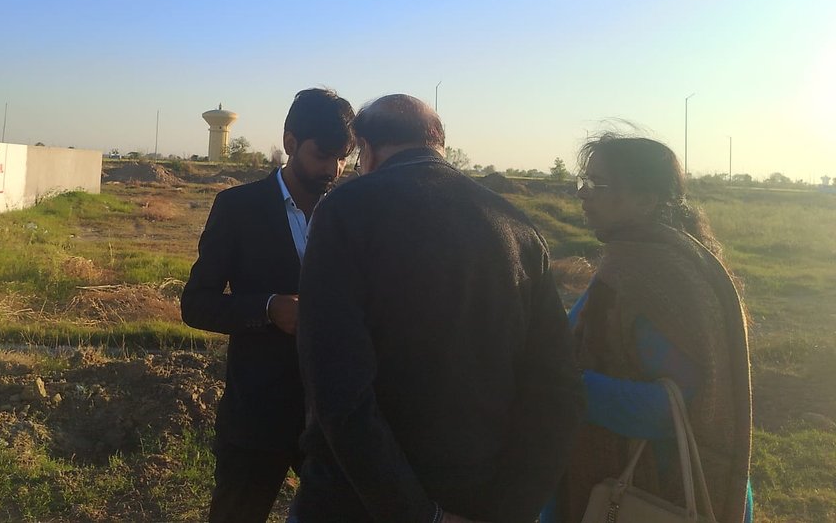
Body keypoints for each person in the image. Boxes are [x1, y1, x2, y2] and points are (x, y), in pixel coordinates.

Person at [293, 94, 584, 523]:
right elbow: (558, 392)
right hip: (479, 496)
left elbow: (338, 386)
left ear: (366, 149)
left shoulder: (346, 210)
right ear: (439, 145)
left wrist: (418, 514)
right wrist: (510, 509)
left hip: (357, 503)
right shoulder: (518, 227)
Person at [543, 133, 752, 523]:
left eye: (598, 184)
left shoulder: (654, 275)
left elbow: (678, 406)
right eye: (583, 181)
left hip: (651, 492)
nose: (582, 193)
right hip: (633, 482)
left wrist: (561, 384)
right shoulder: (643, 260)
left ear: (646, 200)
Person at [181, 87, 356, 523]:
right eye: (323, 155)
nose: (333, 169)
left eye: (343, 157)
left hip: (334, 416)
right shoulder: (238, 207)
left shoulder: (352, 214)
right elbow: (196, 304)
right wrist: (268, 308)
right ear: (290, 142)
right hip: (258, 416)